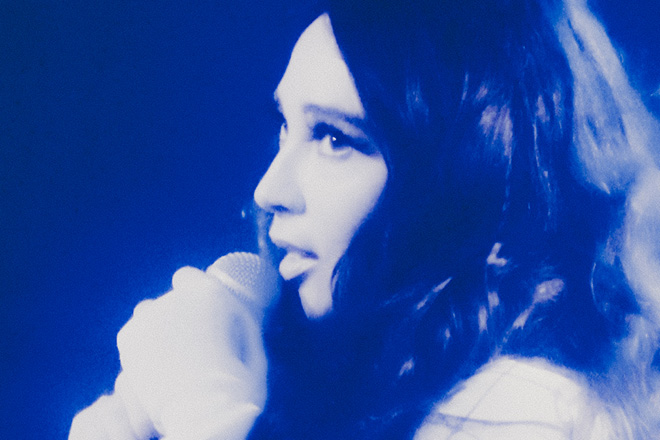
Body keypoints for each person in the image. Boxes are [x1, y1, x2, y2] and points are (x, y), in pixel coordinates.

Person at [70, 0, 660, 438]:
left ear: (472, 177)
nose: (268, 191)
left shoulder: (533, 410)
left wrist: (204, 407)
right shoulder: (373, 393)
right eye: (286, 128)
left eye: (334, 138)